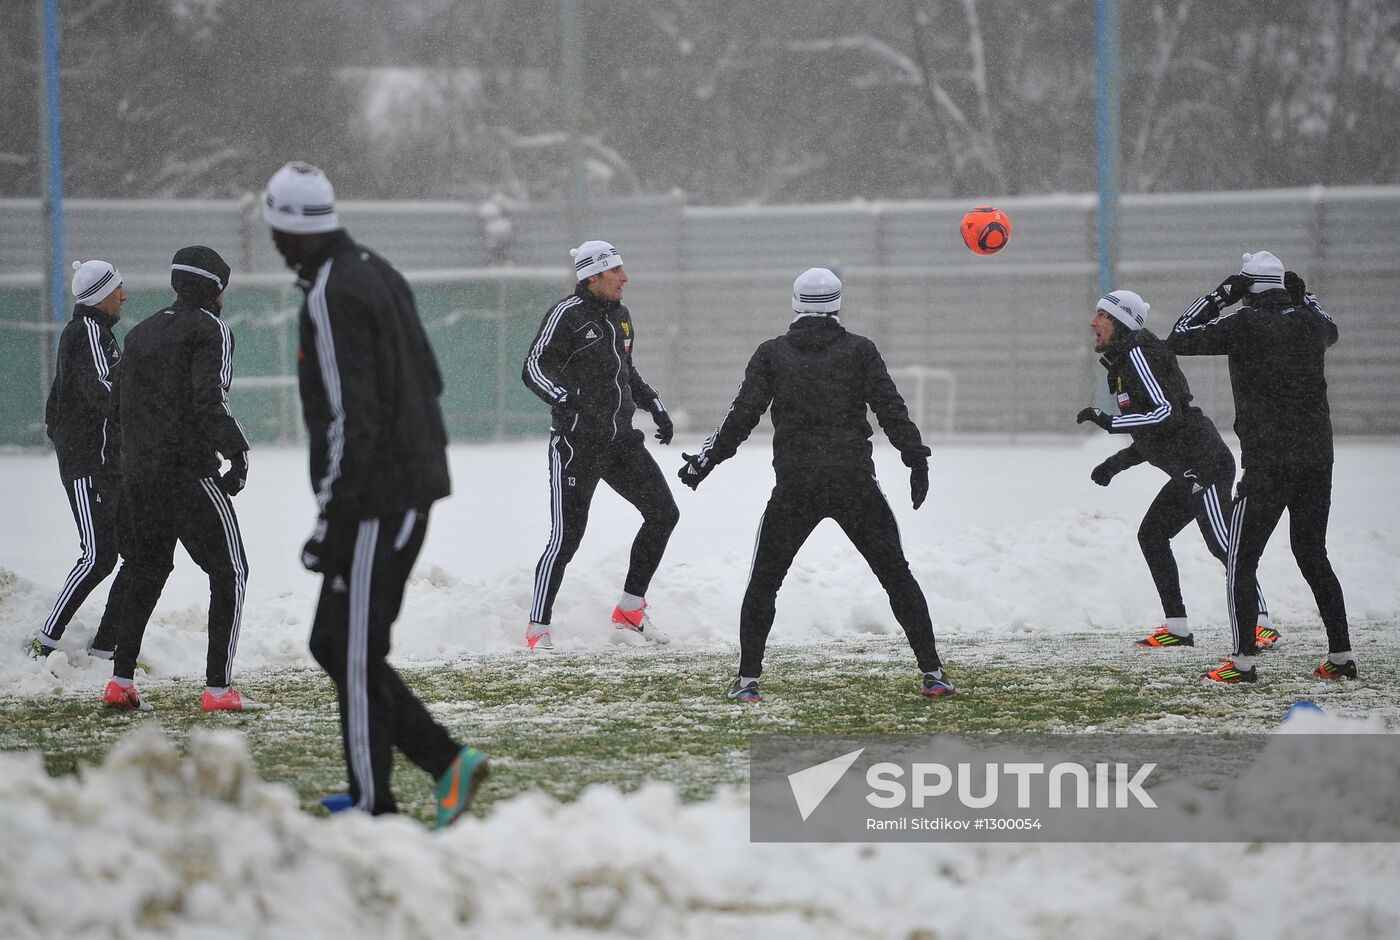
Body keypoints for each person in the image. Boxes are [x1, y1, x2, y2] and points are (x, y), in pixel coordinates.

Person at [264, 161, 487, 828]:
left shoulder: (331, 291)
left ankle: (373, 801)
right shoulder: (376, 269)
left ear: (290, 232)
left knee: (354, 650)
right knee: (335, 643)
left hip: (375, 498)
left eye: (276, 234)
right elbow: (430, 377)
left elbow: (347, 417)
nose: (275, 247)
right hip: (404, 485)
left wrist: (333, 515)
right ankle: (441, 765)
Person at [677, 267, 953, 701]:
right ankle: (934, 673)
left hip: (796, 484)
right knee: (896, 575)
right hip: (853, 480)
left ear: (795, 305)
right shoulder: (860, 351)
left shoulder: (772, 354)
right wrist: (915, 457)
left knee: (764, 582)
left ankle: (748, 681)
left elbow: (743, 414)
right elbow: (889, 407)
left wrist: (706, 460)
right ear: (838, 306)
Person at [1167, 251, 1354, 683]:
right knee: (1313, 554)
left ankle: (1243, 663)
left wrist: (1219, 296)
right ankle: (1342, 657)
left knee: (1241, 559)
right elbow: (1333, 328)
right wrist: (1304, 298)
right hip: (1316, 459)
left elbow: (1180, 336)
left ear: (1245, 292)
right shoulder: (1312, 324)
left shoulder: (1243, 323)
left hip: (1268, 462)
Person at [1076, 289, 1276, 650]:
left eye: (1102, 316)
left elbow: (1166, 411)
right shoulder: (1124, 361)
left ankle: (1260, 622)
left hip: (1205, 465)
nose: (1093, 322)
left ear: (1121, 322)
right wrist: (1114, 465)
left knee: (1225, 545)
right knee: (1152, 535)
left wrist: (1108, 422)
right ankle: (1178, 627)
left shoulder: (1138, 352)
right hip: (1188, 472)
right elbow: (1154, 432)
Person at [103, 246, 257, 712]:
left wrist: (123, 466)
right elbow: (208, 400)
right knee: (230, 570)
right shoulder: (211, 329)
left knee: (147, 569)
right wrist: (237, 453)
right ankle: (217, 689)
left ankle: (120, 681)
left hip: (139, 474)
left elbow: (118, 405)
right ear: (213, 286)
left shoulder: (142, 332)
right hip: (188, 473)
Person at [519, 239, 679, 651]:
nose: (625, 277)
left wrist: (655, 406)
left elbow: (626, 371)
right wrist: (565, 399)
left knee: (663, 513)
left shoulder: (621, 316)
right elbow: (533, 367)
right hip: (577, 446)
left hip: (621, 442)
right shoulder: (566, 315)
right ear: (593, 276)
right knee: (567, 537)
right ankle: (538, 629)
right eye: (616, 271)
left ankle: (629, 610)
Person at [29, 260, 131, 662]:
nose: (125, 295)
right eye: (118, 288)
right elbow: (104, 392)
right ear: (99, 295)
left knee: (136, 554)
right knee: (97, 555)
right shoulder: (87, 331)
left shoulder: (99, 333)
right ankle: (45, 641)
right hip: (89, 465)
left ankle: (106, 649)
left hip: (108, 464)